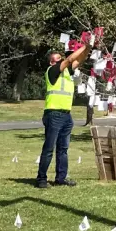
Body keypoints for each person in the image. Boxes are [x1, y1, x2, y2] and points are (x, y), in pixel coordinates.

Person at [38, 45, 90, 189]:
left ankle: (61, 178)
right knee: (49, 148)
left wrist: (90, 46)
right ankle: (41, 179)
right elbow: (70, 59)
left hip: (66, 115)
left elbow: (79, 60)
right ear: (51, 62)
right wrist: (85, 44)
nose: (61, 60)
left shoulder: (67, 72)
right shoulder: (52, 71)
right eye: (58, 59)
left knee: (63, 149)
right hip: (53, 114)